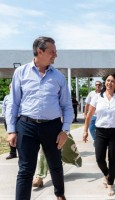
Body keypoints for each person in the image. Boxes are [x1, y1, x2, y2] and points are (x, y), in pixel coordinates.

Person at [6, 36, 73, 200]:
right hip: (26, 126)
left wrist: (65, 131)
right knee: (25, 170)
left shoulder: (58, 77)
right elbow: (13, 103)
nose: (55, 55)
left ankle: (60, 194)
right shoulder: (21, 73)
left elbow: (67, 106)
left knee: (55, 165)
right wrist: (11, 130)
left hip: (52, 127)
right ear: (39, 51)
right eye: (52, 52)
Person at [83, 74, 115, 196]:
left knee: (113, 159)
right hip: (101, 131)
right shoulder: (97, 97)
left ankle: (110, 185)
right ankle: (107, 174)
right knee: (99, 158)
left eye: (112, 81)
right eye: (107, 80)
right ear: (105, 83)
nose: (109, 83)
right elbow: (89, 115)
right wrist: (85, 130)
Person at [2, 84, 17, 160]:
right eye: (10, 87)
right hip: (7, 119)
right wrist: (4, 116)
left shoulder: (19, 97)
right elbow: (4, 107)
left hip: (17, 118)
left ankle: (22, 153)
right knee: (10, 135)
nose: (12, 88)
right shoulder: (6, 97)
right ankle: (13, 153)